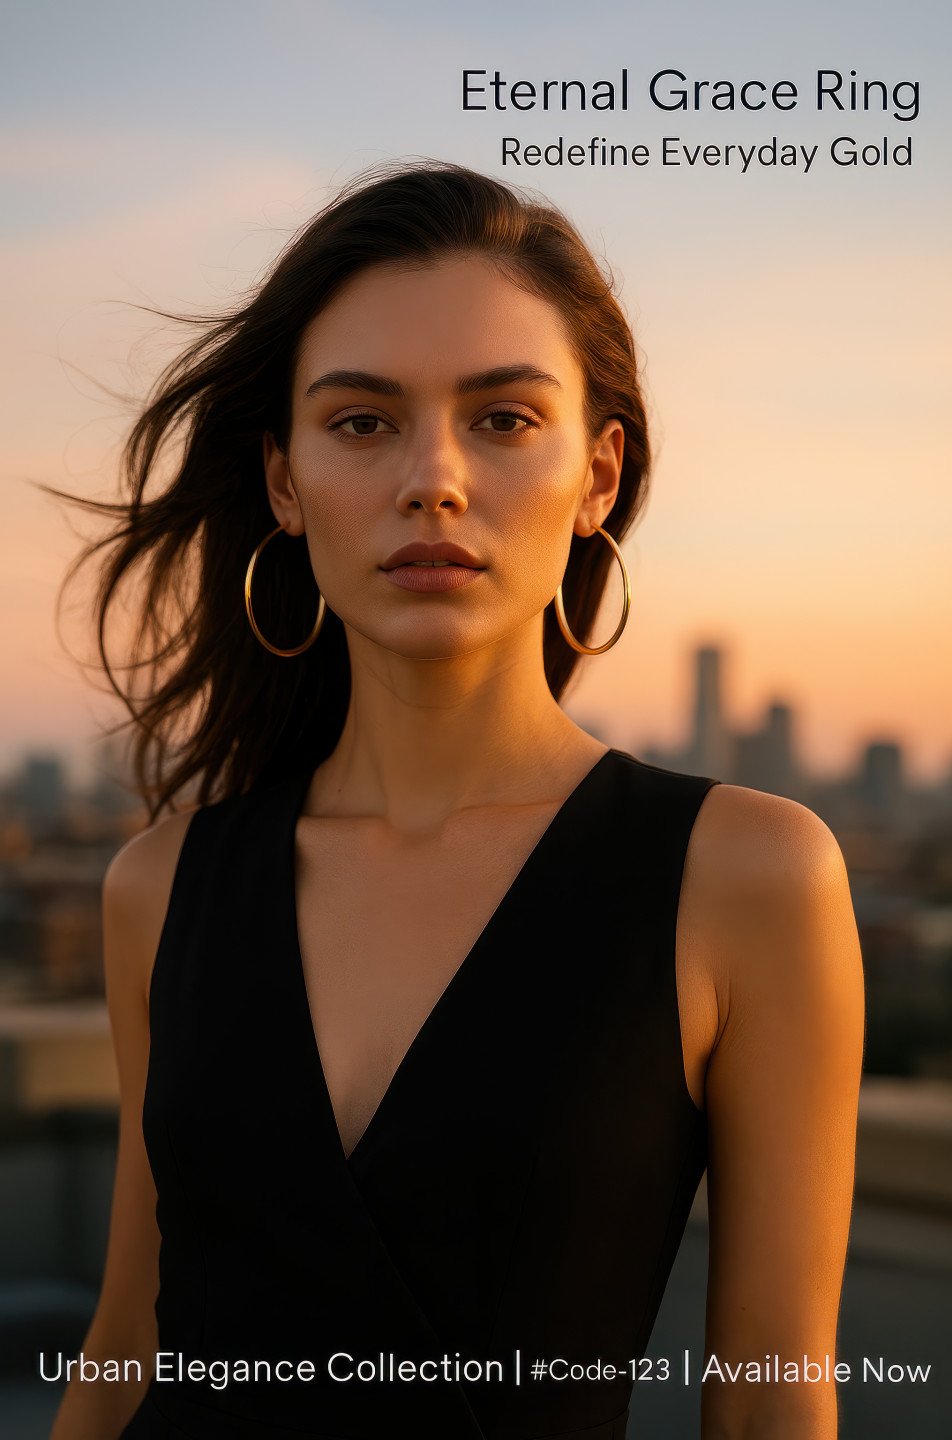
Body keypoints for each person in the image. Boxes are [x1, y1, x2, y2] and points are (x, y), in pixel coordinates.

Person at [48, 160, 864, 1440]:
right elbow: (126, 1348)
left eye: (502, 419)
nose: (432, 476)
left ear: (598, 478)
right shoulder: (162, 887)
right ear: (283, 482)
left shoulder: (747, 877)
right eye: (363, 422)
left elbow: (771, 1399)